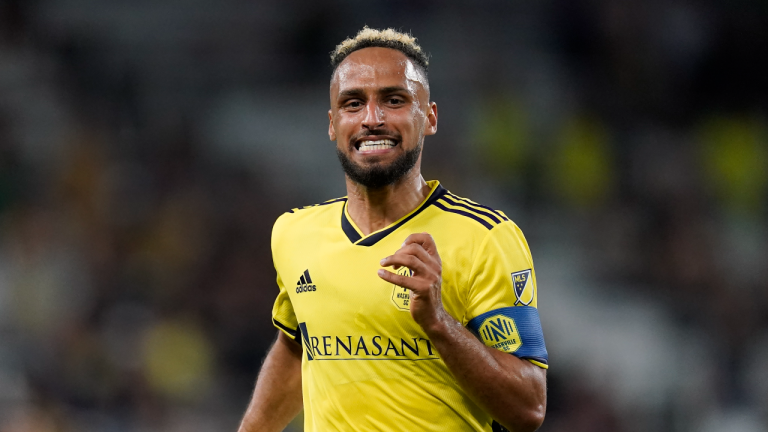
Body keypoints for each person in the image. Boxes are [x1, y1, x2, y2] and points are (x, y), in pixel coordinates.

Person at [237, 27, 547, 432]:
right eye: (353, 104)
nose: (372, 119)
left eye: (394, 100)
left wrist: (439, 323)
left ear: (430, 117)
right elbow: (298, 347)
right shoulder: (295, 233)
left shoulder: (486, 238)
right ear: (333, 124)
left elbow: (528, 410)